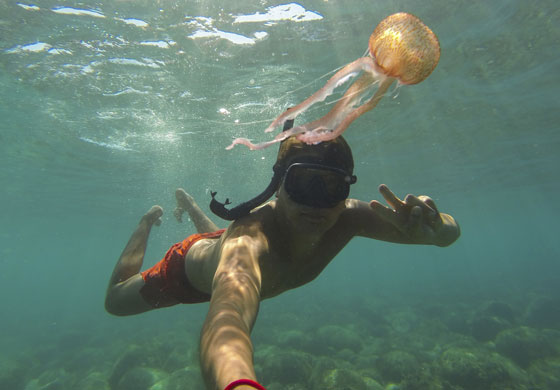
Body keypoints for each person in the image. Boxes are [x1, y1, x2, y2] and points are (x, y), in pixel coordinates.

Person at [105, 133, 460, 390]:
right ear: (278, 187)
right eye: (304, 183)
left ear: (348, 189)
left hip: (218, 249)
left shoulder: (349, 217)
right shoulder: (247, 245)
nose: (316, 204)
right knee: (115, 302)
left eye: (332, 187)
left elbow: (448, 233)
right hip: (185, 272)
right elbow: (227, 323)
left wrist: (434, 224)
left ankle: (192, 206)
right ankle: (147, 221)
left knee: (217, 238)